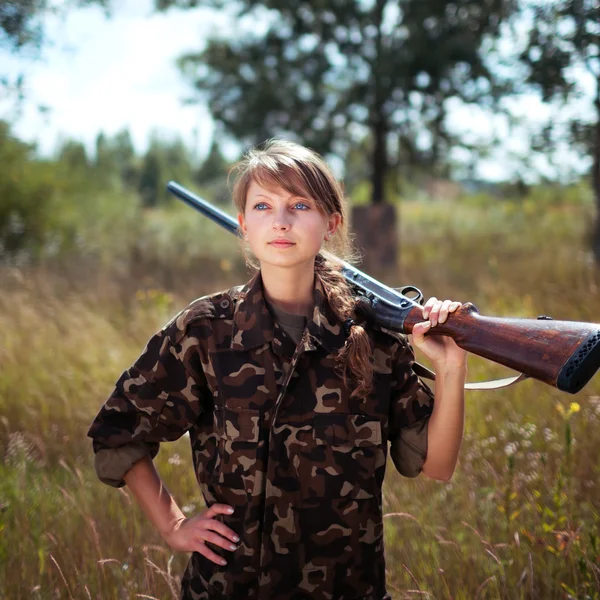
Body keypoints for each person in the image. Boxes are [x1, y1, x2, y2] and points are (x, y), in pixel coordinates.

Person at [87, 138, 467, 600]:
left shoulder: (375, 341)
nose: (281, 221)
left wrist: (451, 369)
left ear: (331, 223)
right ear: (244, 226)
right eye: (264, 205)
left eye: (299, 204)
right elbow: (118, 428)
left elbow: (438, 466)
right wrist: (174, 526)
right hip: (231, 589)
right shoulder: (206, 331)